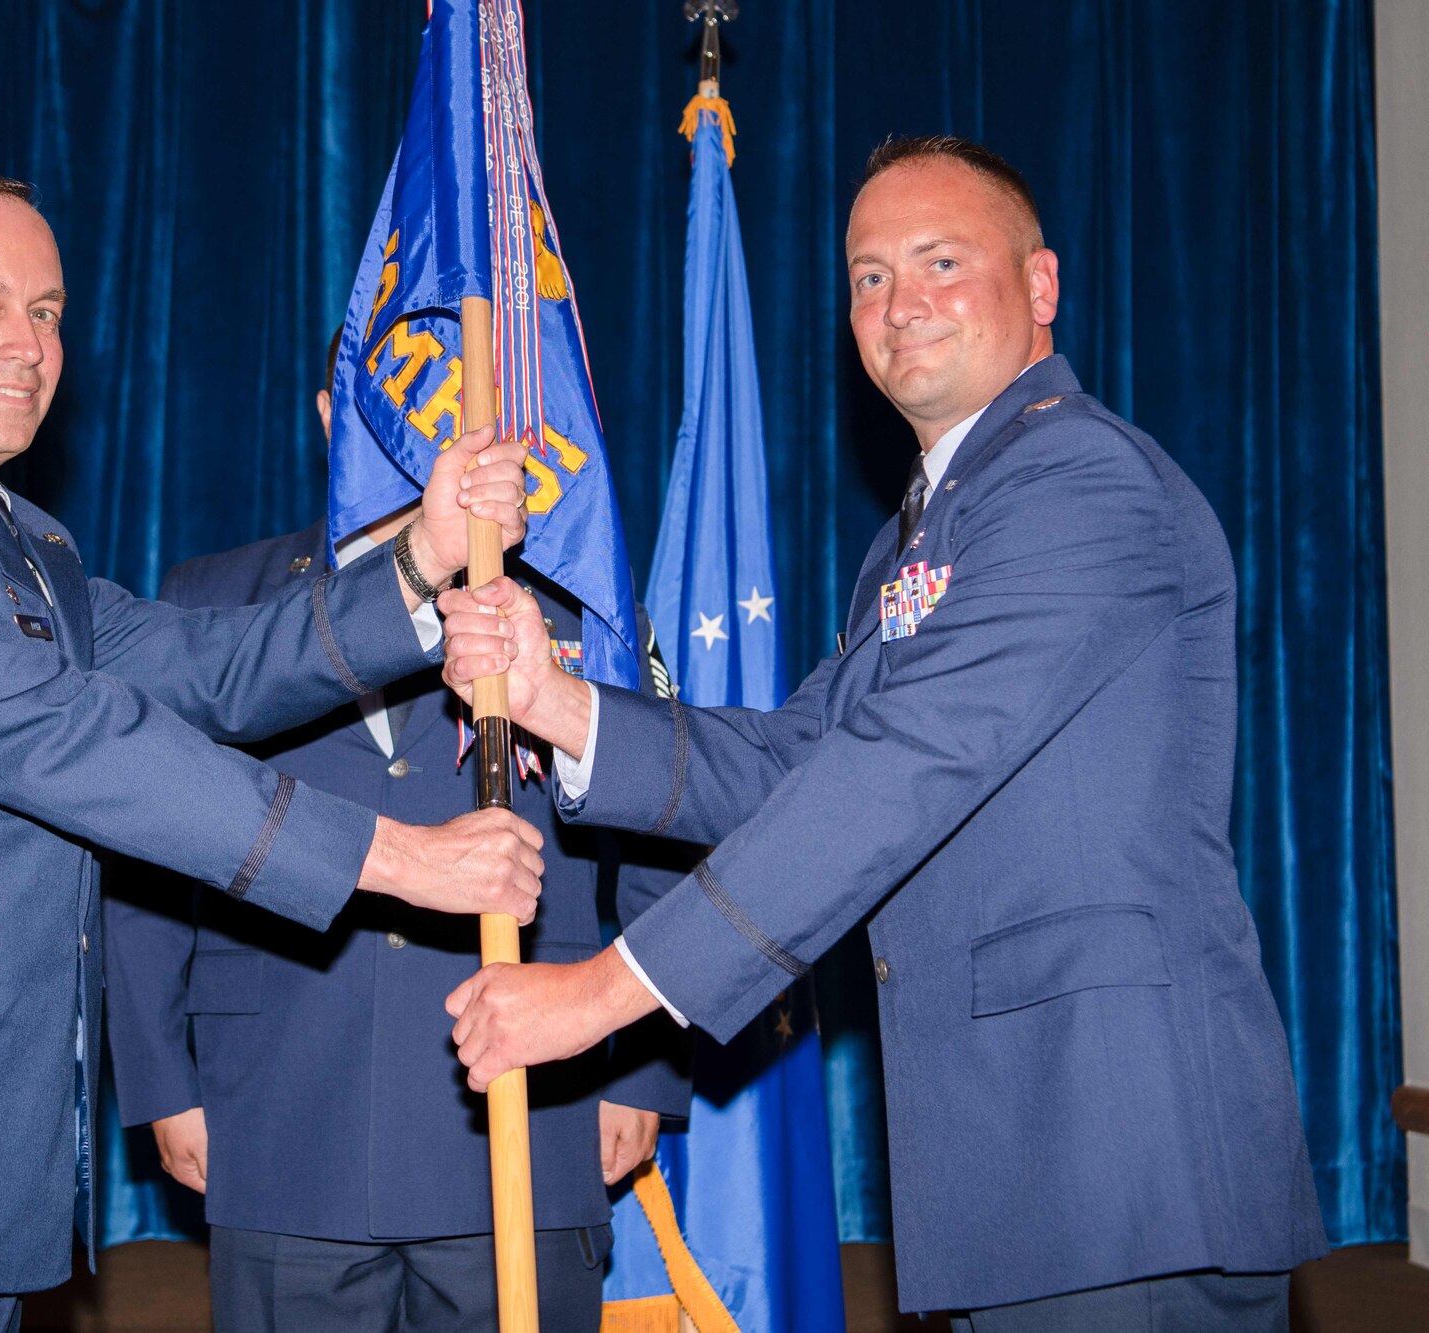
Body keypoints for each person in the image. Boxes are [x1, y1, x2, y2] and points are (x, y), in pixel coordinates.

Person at [436, 137, 1328, 1330]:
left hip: (1121, 1167)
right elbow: (795, 761)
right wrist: (558, 702)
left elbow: (897, 774)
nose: (897, 304)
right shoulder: (914, 541)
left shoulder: (1078, 482)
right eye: (865, 276)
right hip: (1016, 1178)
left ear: (1041, 284)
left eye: (939, 261)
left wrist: (603, 992)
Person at [0, 170, 545, 1331]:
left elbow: (205, 669)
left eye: (46, 311)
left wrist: (419, 563)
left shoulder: (25, 541)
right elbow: (59, 733)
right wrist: (396, 859)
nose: (26, 343)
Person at [102, 332, 690, 1332]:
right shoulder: (213, 600)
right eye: (382, 404)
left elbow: (659, 835)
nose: (409, 436)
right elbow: (146, 845)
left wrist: (638, 1065)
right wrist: (162, 1080)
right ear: (331, 415)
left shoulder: (576, 598)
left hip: (527, 1115)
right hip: (281, 1111)